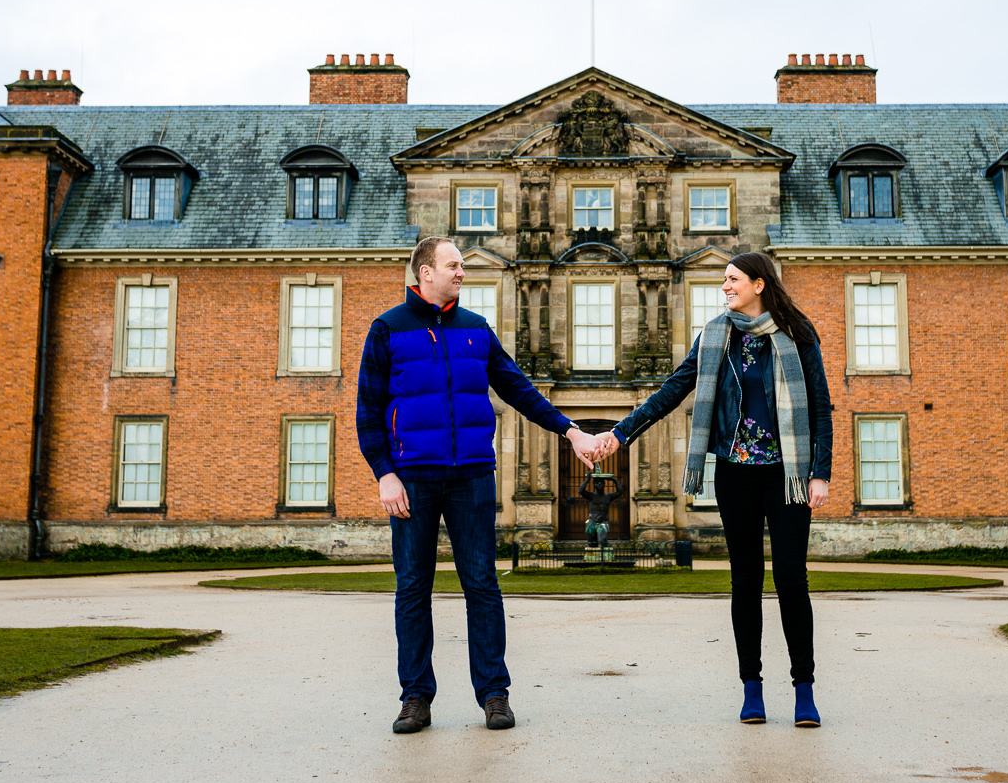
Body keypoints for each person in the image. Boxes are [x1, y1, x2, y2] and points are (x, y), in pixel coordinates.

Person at [357, 236, 604, 734]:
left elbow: (516, 386)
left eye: (462, 266)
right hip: (413, 478)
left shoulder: (475, 330)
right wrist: (385, 473)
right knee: (412, 588)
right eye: (453, 266)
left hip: (472, 473)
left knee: (483, 585)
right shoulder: (387, 329)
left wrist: (569, 429)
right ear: (425, 272)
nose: (461, 273)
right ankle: (415, 699)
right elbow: (367, 412)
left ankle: (494, 694)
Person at [589, 252, 833, 728]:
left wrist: (819, 472)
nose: (725, 286)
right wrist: (618, 435)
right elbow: (671, 391)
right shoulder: (715, 337)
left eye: (732, 279)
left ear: (759, 284)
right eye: (724, 279)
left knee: (790, 578)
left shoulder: (798, 335)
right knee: (745, 579)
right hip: (735, 474)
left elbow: (820, 408)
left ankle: (804, 690)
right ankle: (752, 689)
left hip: (789, 474)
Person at [572, 471, 625, 549]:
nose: (599, 485)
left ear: (604, 484)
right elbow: (580, 491)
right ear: (594, 486)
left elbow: (620, 491)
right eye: (596, 483)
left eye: (601, 483)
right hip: (592, 521)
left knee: (602, 541)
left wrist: (614, 480)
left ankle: (604, 544)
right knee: (591, 544)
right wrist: (587, 480)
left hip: (602, 522)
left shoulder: (608, 497)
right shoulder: (591, 496)